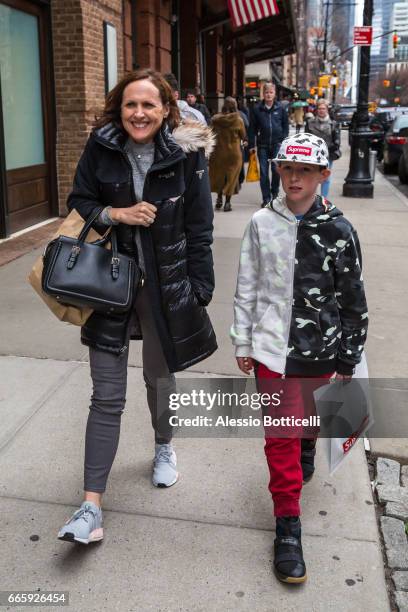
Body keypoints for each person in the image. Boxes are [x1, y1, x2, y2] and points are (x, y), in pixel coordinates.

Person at [57, 69, 217, 544]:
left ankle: (164, 446)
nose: (139, 113)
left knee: (158, 379)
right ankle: (90, 507)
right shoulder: (101, 147)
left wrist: (199, 290)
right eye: (131, 104)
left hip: (166, 288)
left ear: (167, 109)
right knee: (105, 396)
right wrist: (116, 214)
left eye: (149, 105)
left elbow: (200, 227)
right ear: (119, 109)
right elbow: (80, 199)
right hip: (109, 285)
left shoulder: (187, 157)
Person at [230, 132, 368, 583]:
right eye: (287, 168)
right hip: (271, 349)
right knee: (280, 436)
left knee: (307, 418)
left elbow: (352, 299)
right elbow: (247, 285)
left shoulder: (339, 231)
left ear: (323, 175)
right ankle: (288, 522)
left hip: (320, 349)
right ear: (277, 170)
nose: (294, 177)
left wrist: (348, 357)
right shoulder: (261, 223)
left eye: (305, 170)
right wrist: (243, 341)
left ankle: (310, 442)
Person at [248, 82, 289, 207]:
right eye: (266, 92)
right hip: (263, 145)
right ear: (263, 94)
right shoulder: (257, 109)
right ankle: (266, 198)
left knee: (276, 171)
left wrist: (283, 141)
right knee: (264, 173)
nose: (269, 95)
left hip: (277, 144)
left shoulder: (281, 108)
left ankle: (275, 194)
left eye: (271, 92)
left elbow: (285, 126)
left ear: (274, 94)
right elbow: (252, 129)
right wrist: (251, 145)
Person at [209, 96, 246, 212]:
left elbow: (210, 133)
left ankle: (219, 198)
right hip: (233, 154)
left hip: (218, 153)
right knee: (232, 178)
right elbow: (243, 135)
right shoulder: (238, 120)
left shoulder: (215, 120)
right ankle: (228, 203)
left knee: (219, 176)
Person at [305, 98, 341, 198]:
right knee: (313, 177)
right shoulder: (310, 123)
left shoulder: (333, 124)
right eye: (319, 108)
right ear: (317, 110)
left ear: (327, 110)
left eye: (323, 108)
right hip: (313, 155)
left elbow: (337, 140)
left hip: (328, 154)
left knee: (325, 178)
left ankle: (324, 200)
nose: (321, 110)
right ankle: (312, 198)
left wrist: (333, 147)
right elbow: (306, 139)